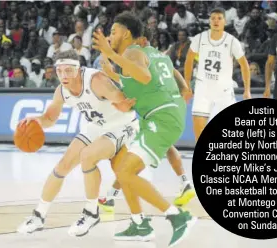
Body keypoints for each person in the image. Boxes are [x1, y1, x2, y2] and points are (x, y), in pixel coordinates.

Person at [92, 11, 196, 246]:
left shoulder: (132, 52)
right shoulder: (150, 54)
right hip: (163, 114)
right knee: (123, 171)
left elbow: (145, 77)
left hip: (161, 117)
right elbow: (140, 85)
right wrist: (112, 73)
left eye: (113, 32)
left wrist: (111, 56)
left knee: (126, 172)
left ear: (127, 33)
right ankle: (139, 223)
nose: (110, 36)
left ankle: (177, 217)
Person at [17, 50, 138, 236]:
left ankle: (91, 213)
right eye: (60, 71)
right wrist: (37, 120)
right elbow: (50, 118)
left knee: (87, 157)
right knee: (63, 166)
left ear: (78, 69)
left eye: (69, 70)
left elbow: (126, 102)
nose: (64, 75)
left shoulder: (96, 81)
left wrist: (123, 99)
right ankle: (38, 215)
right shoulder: (61, 91)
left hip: (122, 124)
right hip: (97, 126)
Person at [184, 7, 251, 142]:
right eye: (213, 18)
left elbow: (244, 65)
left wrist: (247, 90)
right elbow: (189, 60)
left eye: (219, 18)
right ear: (209, 21)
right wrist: (187, 86)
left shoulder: (232, 41)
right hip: (203, 89)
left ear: (224, 21)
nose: (216, 21)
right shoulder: (199, 38)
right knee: (199, 129)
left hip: (223, 90)